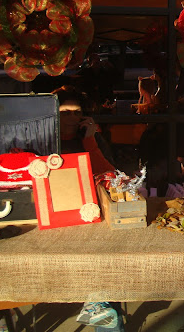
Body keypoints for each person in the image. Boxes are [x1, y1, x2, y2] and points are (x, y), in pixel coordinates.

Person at [51, 85, 123, 331]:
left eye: (77, 112)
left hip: (92, 208)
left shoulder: (90, 138)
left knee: (100, 260)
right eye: (65, 112)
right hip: (59, 211)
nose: (72, 118)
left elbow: (110, 174)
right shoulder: (47, 139)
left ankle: (99, 306)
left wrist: (90, 140)